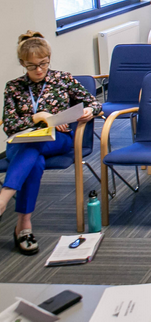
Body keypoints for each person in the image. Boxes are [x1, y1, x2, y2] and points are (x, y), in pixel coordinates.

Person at [1, 31, 100, 255]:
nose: (39, 70)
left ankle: (4, 197)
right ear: (22, 64)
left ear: (49, 60)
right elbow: (9, 125)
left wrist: (87, 111)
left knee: (33, 146)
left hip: (57, 140)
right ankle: (23, 227)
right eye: (32, 66)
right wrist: (38, 117)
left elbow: (94, 103)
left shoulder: (62, 79)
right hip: (21, 142)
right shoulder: (14, 87)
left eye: (43, 64)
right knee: (34, 159)